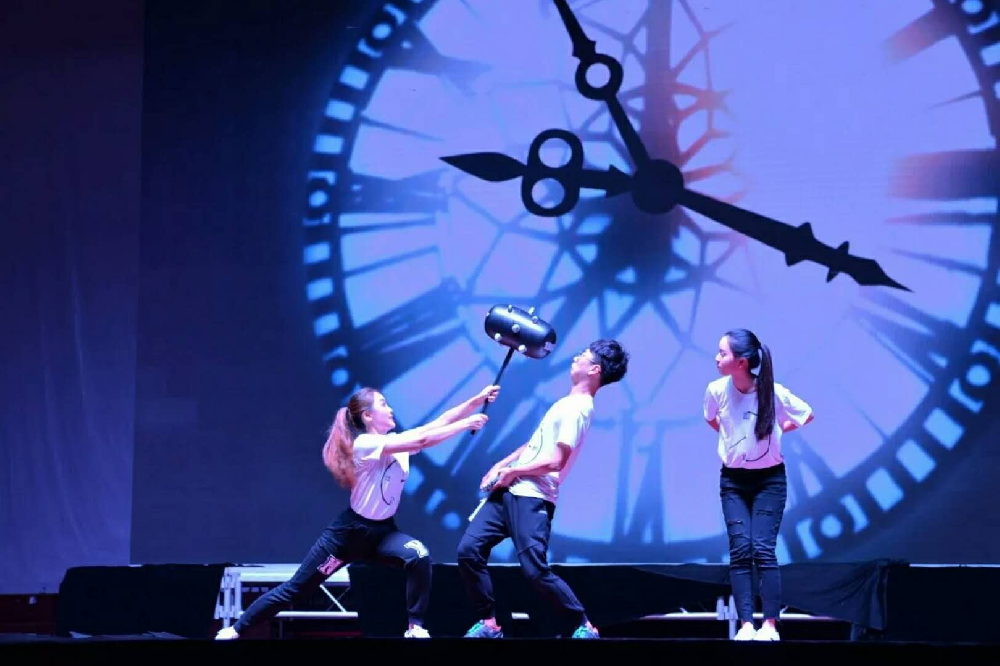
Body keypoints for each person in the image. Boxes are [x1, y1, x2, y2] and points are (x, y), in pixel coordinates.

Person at [215, 384, 499, 640]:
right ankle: (235, 629)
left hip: (382, 534)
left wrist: (476, 400)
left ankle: (415, 628)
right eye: (384, 404)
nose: (391, 409)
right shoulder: (365, 444)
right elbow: (422, 441)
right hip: (348, 536)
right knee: (296, 589)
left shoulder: (397, 444)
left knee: (419, 556)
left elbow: (437, 425)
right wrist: (466, 424)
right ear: (368, 416)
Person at [457, 339, 629, 639]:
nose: (575, 358)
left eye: (583, 356)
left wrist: (513, 471)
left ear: (595, 370)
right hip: (511, 489)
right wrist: (502, 465)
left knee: (535, 570)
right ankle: (490, 623)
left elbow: (556, 461)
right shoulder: (566, 403)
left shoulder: (578, 408)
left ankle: (584, 625)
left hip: (533, 496)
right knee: (469, 550)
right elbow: (536, 443)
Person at [704, 329, 813, 641]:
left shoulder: (772, 392)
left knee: (763, 549)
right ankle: (745, 625)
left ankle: (769, 626)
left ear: (741, 362)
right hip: (733, 481)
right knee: (740, 550)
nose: (716, 358)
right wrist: (734, 436)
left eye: (722, 353)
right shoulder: (716, 390)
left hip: (769, 480)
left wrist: (776, 430)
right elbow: (712, 419)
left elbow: (806, 414)